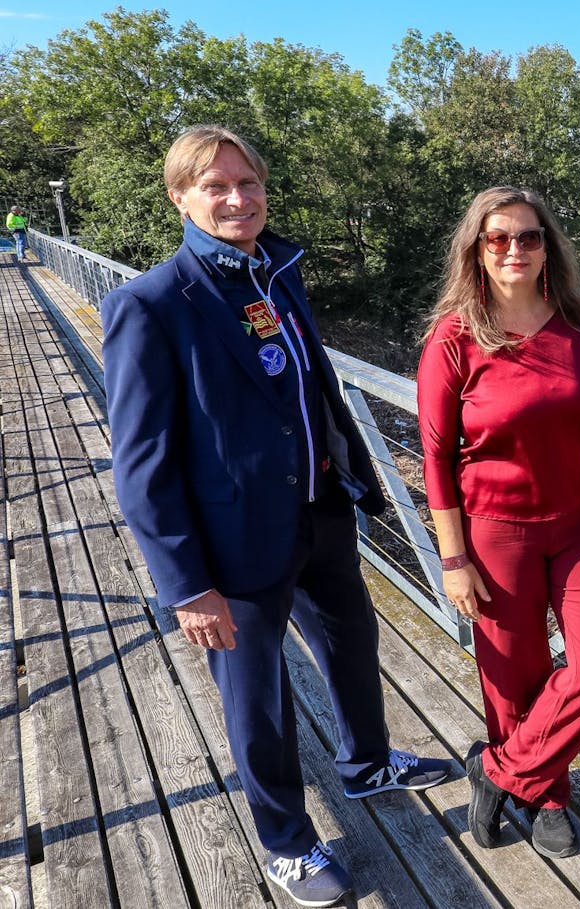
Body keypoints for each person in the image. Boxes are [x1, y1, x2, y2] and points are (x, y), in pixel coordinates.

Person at [101, 125, 451, 908]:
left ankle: (368, 765)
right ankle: (286, 842)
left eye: (248, 183)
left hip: (320, 510)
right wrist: (186, 584)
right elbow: (141, 463)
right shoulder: (151, 304)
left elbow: (309, 389)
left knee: (353, 645)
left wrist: (352, 477)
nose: (237, 198)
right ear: (180, 197)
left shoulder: (277, 271)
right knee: (256, 697)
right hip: (230, 543)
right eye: (216, 186)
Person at [416, 186, 580, 857]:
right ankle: (548, 792)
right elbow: (436, 457)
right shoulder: (454, 340)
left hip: (575, 523)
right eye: (497, 238)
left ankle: (497, 771)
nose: (514, 249)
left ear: (547, 247)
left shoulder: (571, 323)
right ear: (475, 249)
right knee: (516, 678)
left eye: (529, 236)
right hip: (494, 532)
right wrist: (452, 559)